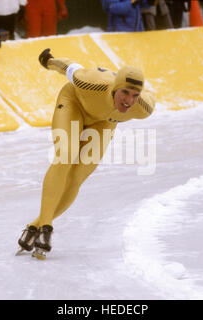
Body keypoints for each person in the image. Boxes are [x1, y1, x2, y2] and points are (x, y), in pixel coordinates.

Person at [17, 48, 155, 259]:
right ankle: (46, 227)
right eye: (125, 92)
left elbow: (150, 96)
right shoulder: (92, 81)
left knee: (77, 176)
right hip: (74, 104)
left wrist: (138, 97)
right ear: (115, 88)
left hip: (103, 123)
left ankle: (34, 226)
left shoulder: (143, 107)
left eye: (135, 95)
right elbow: (69, 67)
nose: (128, 101)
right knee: (66, 154)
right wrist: (49, 61)